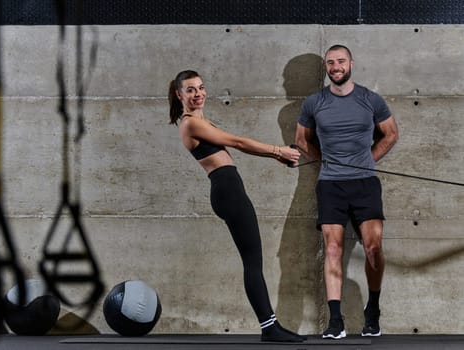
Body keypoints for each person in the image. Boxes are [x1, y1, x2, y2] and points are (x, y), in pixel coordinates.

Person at [169, 70, 305, 342]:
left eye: (201, 87)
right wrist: (279, 151)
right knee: (252, 263)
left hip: (228, 190)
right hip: (227, 192)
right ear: (179, 95)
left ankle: (272, 325)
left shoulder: (200, 121)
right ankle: (269, 328)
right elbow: (238, 142)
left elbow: (239, 147)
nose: (198, 94)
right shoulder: (190, 124)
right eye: (191, 90)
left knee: (254, 261)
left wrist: (277, 157)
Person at [295, 45, 399, 339]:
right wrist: (325, 161)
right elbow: (301, 140)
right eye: (330, 62)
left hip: (365, 184)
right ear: (327, 67)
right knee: (332, 249)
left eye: (340, 61)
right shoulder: (314, 102)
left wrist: (368, 160)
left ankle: (373, 310)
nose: (335, 66)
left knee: (374, 248)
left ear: (351, 63)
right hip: (330, 184)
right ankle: (336, 320)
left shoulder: (370, 99)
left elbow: (391, 133)